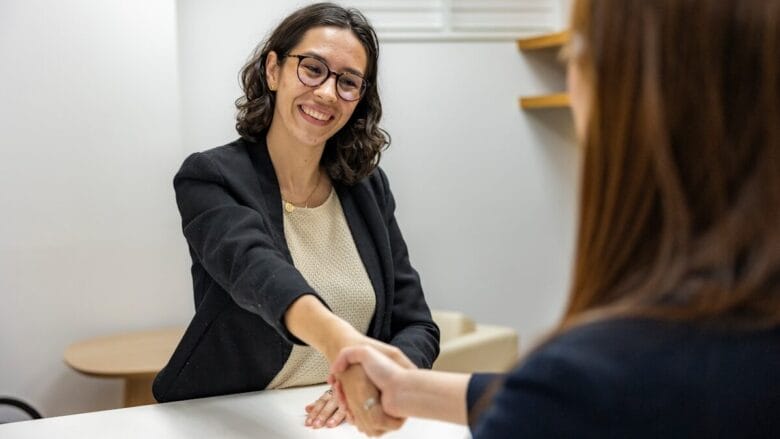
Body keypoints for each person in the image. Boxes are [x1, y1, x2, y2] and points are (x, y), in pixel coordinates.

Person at [329, 0, 780, 436]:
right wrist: (411, 390)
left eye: (575, 57)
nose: (327, 92)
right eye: (311, 69)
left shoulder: (593, 377)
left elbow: (578, 399)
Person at [152, 2, 439, 430]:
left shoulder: (367, 188)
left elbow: (417, 325)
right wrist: (345, 347)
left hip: (341, 419)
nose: (326, 93)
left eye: (347, 82)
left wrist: (377, 382)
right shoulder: (210, 177)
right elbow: (260, 274)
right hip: (227, 418)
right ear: (273, 70)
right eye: (312, 68)